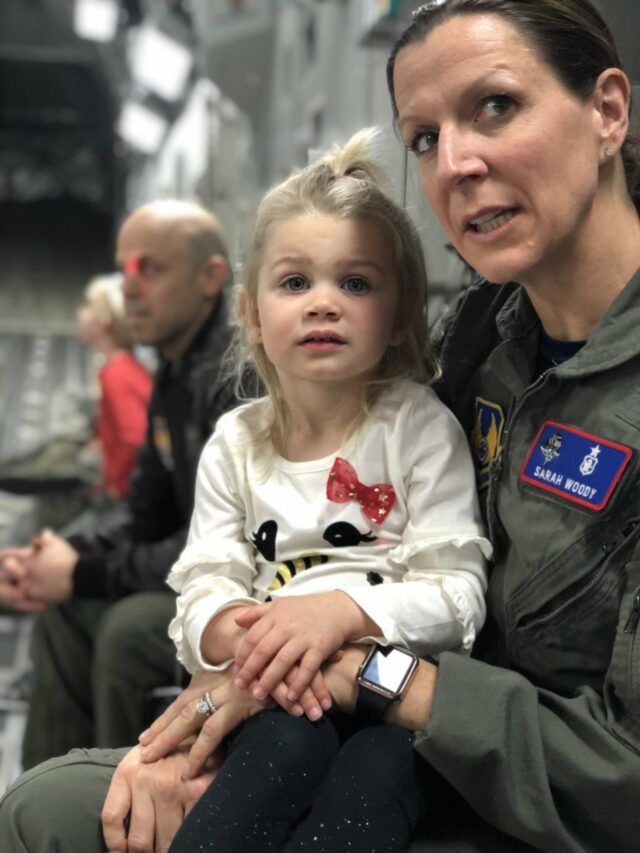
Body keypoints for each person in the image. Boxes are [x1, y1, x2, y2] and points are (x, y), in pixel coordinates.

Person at [3, 0, 640, 850]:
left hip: (523, 780)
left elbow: (618, 770)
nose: (454, 162)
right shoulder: (480, 340)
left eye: (496, 105)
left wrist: (350, 667)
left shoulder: (430, 389)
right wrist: (205, 704)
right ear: (252, 311)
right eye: (422, 136)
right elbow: (222, 576)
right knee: (48, 806)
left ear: (607, 110)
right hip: (357, 710)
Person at [160, 130, 488, 851]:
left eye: (357, 282)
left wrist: (335, 614)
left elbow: (457, 595)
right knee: (266, 768)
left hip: (397, 697)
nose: (324, 304)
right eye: (295, 282)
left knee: (373, 782)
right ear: (250, 312)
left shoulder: (418, 428)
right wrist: (251, 640)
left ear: (400, 312)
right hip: (275, 690)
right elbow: (203, 586)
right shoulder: (236, 443)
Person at [0, 199, 237, 768]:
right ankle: (45, 804)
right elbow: (143, 514)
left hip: (237, 589)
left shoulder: (234, 380)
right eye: (123, 268)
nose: (128, 287)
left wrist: (84, 571)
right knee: (64, 610)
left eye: (149, 269)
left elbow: (219, 543)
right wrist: (59, 559)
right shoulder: (173, 375)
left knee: (128, 632)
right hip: (183, 573)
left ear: (210, 278)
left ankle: (119, 807)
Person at [76, 271, 152, 501]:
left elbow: (133, 439)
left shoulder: (116, 374)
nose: (80, 313)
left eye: (88, 306)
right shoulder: (122, 366)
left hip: (124, 494)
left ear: (103, 321)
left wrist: (114, 488)